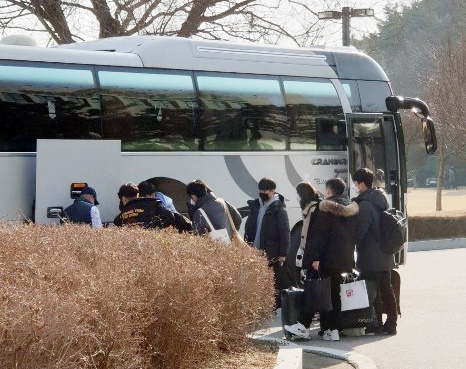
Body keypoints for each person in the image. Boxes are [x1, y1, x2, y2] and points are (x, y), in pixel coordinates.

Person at [352, 168, 398, 335]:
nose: (355, 186)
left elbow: (359, 232)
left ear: (361, 184)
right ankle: (391, 324)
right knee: (386, 289)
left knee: (373, 291)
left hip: (371, 256)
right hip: (385, 254)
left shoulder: (365, 205)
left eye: (356, 183)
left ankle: (376, 324)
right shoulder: (380, 199)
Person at [244, 178, 290, 310]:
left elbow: (284, 231)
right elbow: (250, 226)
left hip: (271, 250)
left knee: (271, 280)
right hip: (254, 248)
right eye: (261, 190)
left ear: (272, 191)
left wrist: (283, 253)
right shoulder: (256, 205)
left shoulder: (278, 208)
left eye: (266, 191)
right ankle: (258, 306)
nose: (263, 193)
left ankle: (272, 307)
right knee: (256, 278)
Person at [113, 182, 180, 230]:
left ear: (123, 199)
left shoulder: (120, 218)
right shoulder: (153, 205)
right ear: (138, 195)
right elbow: (171, 217)